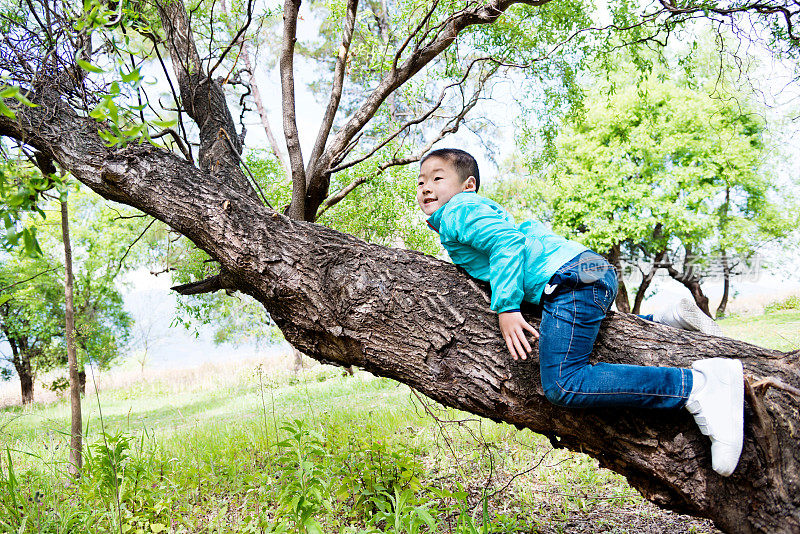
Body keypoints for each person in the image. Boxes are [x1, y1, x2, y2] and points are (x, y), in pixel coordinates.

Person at [417, 148, 744, 476]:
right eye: (420, 182)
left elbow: (506, 242)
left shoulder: (458, 211)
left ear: (468, 185)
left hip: (567, 279)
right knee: (586, 330)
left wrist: (506, 307)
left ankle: (697, 386)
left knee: (564, 382)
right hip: (588, 268)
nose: (426, 188)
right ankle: (668, 320)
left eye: (437, 178)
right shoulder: (471, 211)